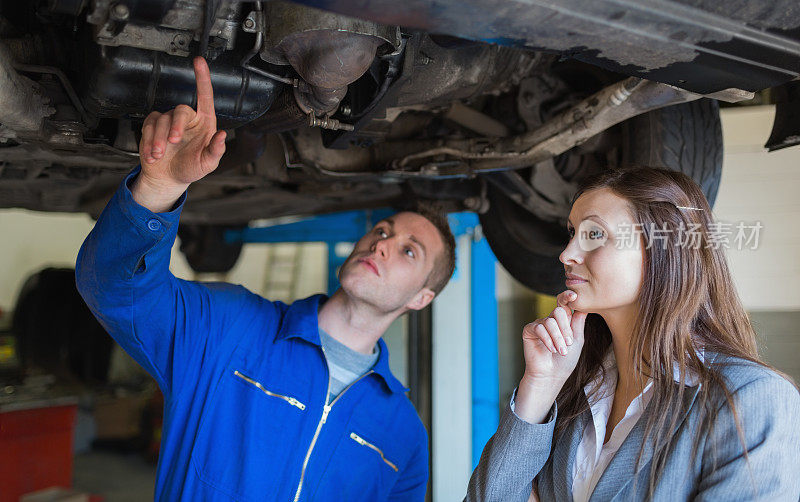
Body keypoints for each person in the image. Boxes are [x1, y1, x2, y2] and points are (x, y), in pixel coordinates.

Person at [75, 56, 456, 501]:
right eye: (382, 230)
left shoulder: (403, 438)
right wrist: (158, 190)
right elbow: (115, 288)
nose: (383, 243)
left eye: (409, 251)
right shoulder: (231, 328)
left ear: (422, 297)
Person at [466, 166, 800, 501]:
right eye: (572, 233)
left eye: (594, 234)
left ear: (664, 248)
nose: (566, 254)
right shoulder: (570, 392)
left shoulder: (751, 399)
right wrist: (540, 386)